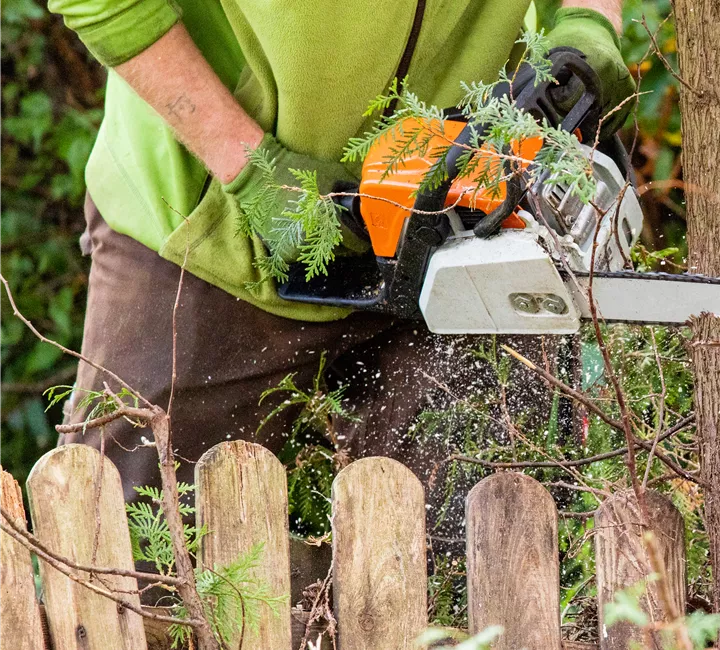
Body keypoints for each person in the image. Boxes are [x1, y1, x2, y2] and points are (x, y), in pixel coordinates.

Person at [45, 0, 634, 543]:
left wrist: (588, 24)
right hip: (205, 217)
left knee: (480, 561)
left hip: (455, 217)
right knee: (133, 568)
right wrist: (244, 163)